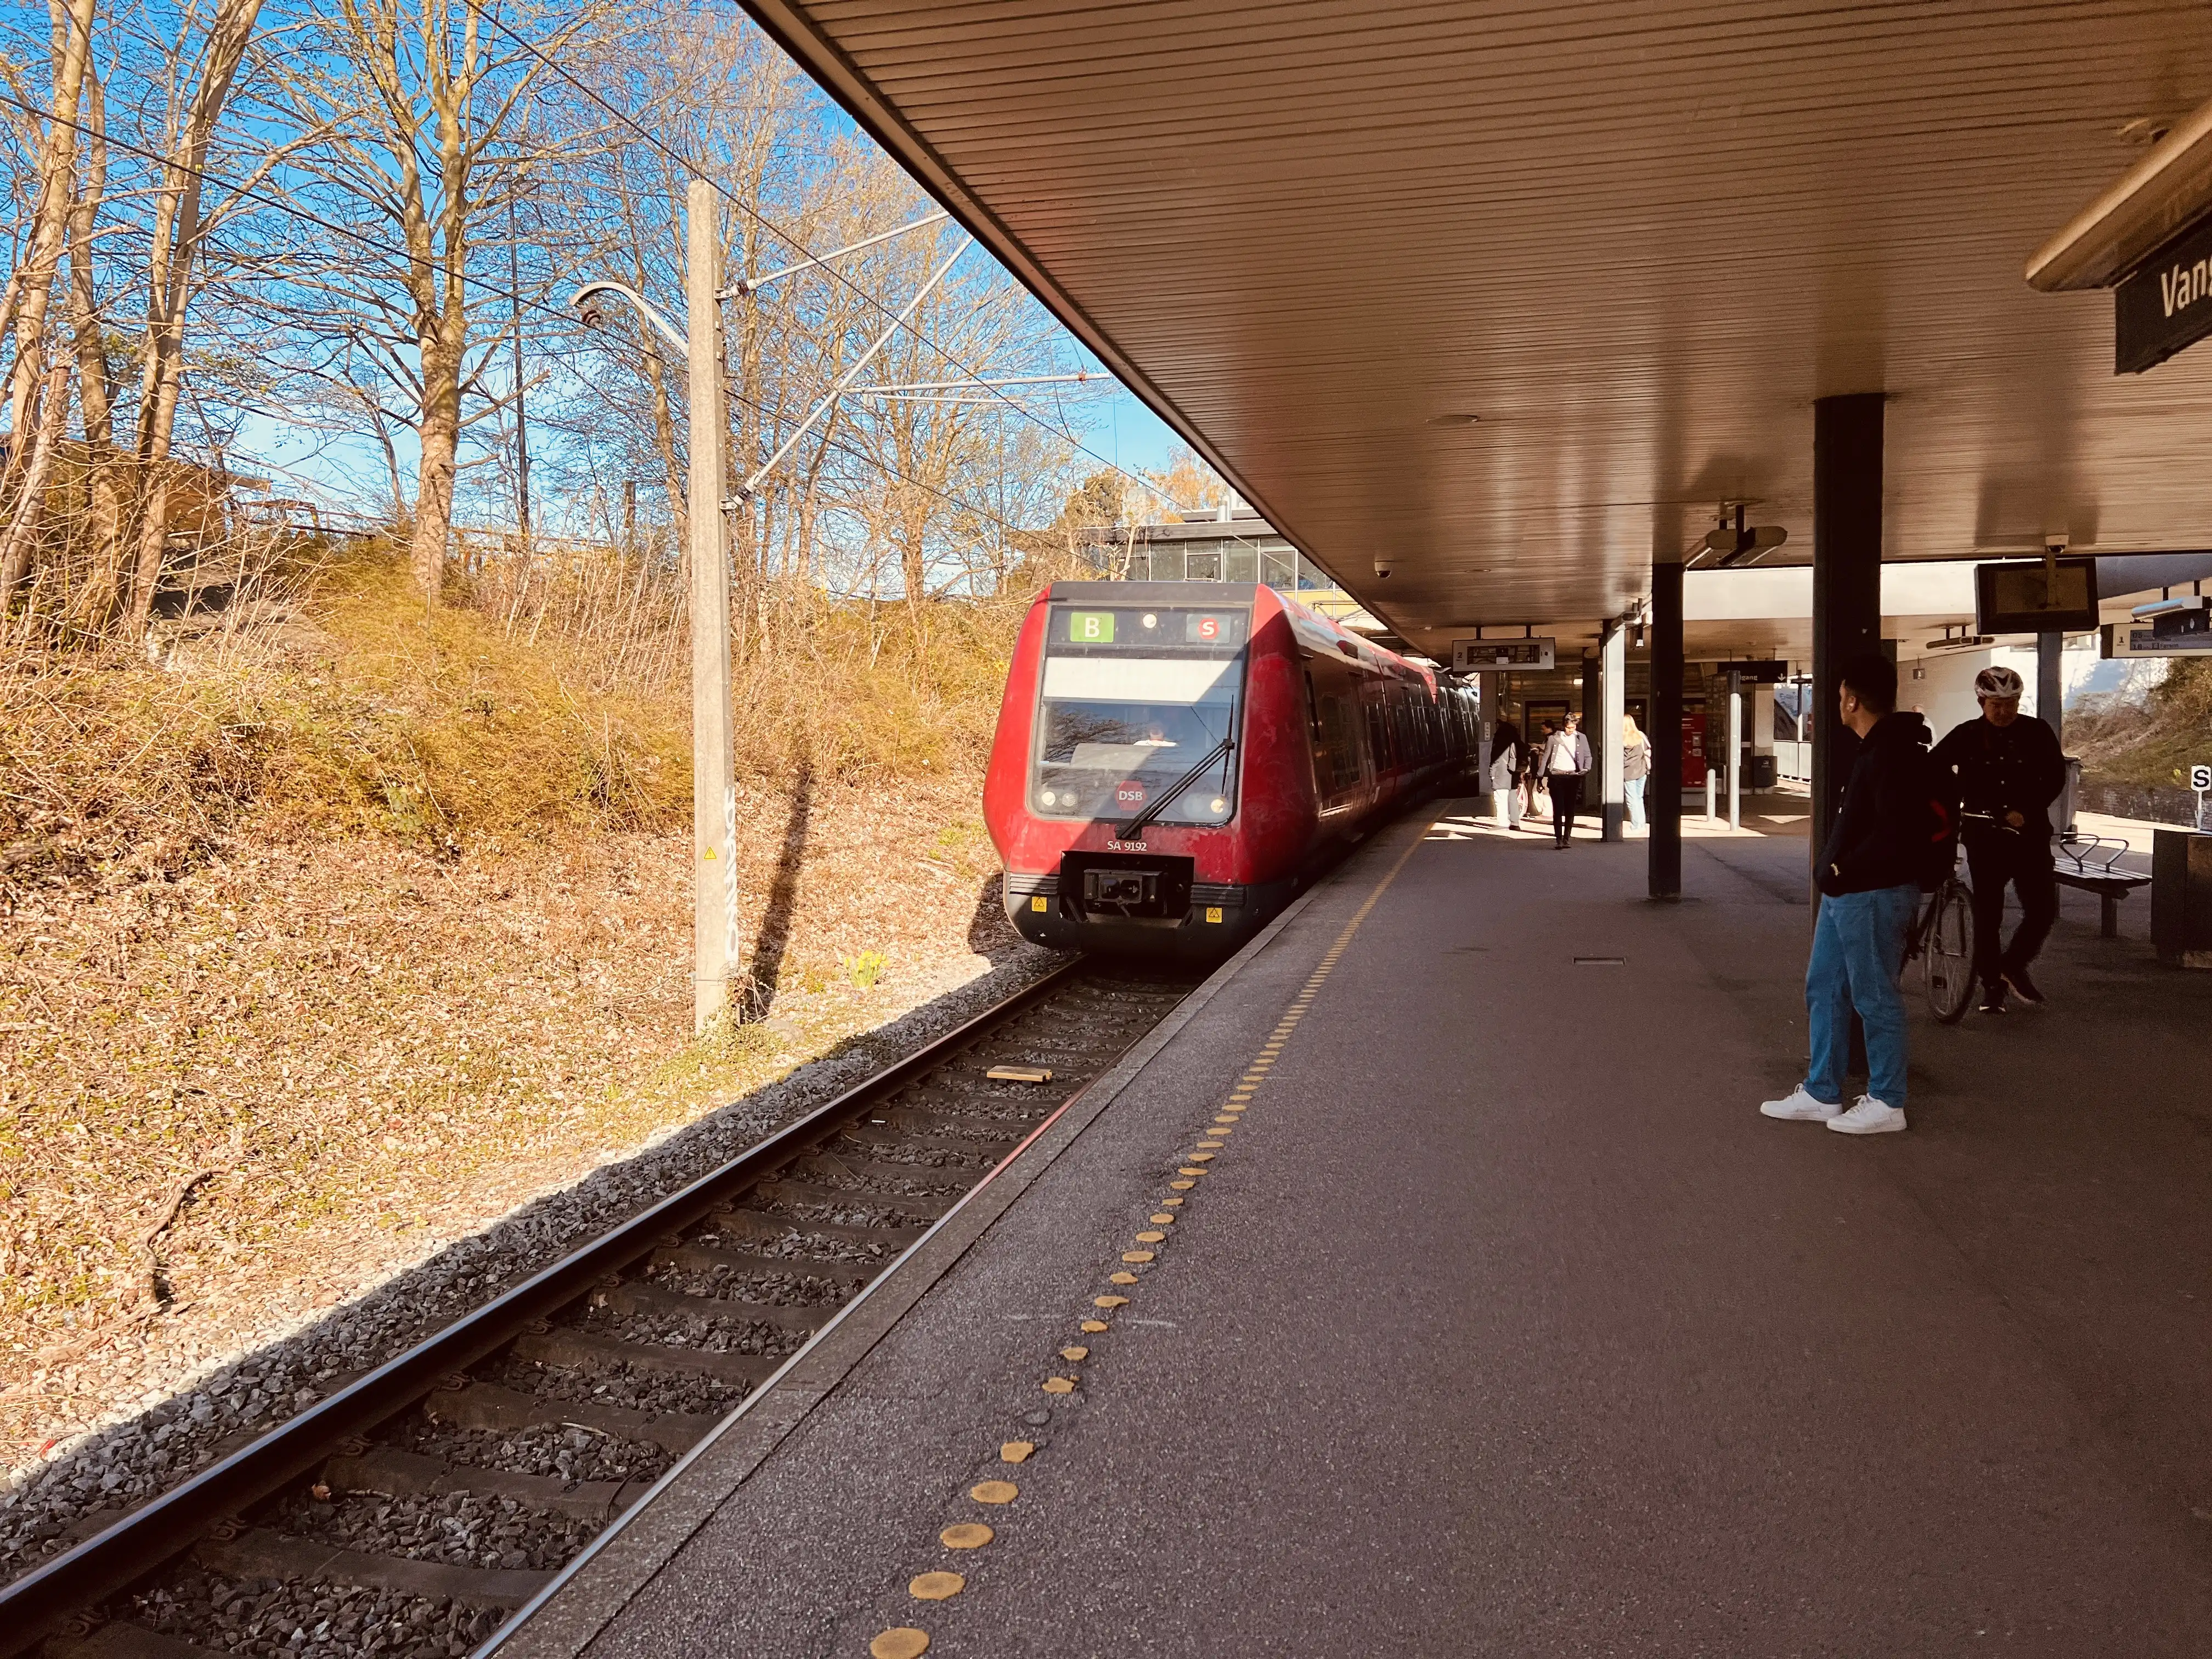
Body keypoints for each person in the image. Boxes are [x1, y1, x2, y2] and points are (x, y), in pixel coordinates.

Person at [1760, 652, 1936, 1135]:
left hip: (1873, 892)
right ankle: (1823, 1092)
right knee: (1825, 987)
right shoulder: (1878, 747)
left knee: (1875, 996)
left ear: (1853, 701)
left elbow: (1893, 833)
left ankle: (1888, 1101)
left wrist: (1840, 867)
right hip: (1849, 894)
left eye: (1840, 696)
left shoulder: (1892, 752)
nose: (1838, 703)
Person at [1931, 664, 2066, 1014]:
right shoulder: (1967, 734)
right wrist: (1959, 795)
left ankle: (2013, 964)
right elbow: (1933, 768)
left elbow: (2055, 776)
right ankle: (1991, 985)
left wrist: (2027, 809)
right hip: (1985, 837)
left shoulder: (2037, 732)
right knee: (1988, 914)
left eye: (2011, 704)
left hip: (2029, 835)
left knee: (2043, 910)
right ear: (1982, 703)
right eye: (1996, 705)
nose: (2004, 711)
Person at [1541, 712, 1592, 849]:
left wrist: (1586, 769)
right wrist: (1540, 776)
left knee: (1570, 809)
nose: (1571, 730)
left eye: (1574, 727)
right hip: (1556, 776)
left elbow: (1588, 755)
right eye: (1569, 727)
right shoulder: (1554, 738)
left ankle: (1567, 838)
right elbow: (1546, 757)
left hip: (1573, 777)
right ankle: (1558, 839)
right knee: (1558, 809)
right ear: (1564, 725)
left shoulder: (1581, 738)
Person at [1488, 709, 1524, 830]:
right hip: (1514, 772)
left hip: (1502, 772)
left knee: (1500, 798)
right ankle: (1515, 823)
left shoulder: (1500, 737)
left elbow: (1496, 757)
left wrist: (1492, 772)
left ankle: (1502, 823)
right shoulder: (1516, 736)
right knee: (1512, 798)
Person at [1621, 713, 1651, 829]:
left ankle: (1636, 825)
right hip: (1642, 771)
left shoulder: (1622, 738)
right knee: (1639, 798)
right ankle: (1642, 824)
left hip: (1628, 772)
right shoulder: (1641, 735)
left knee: (1631, 799)